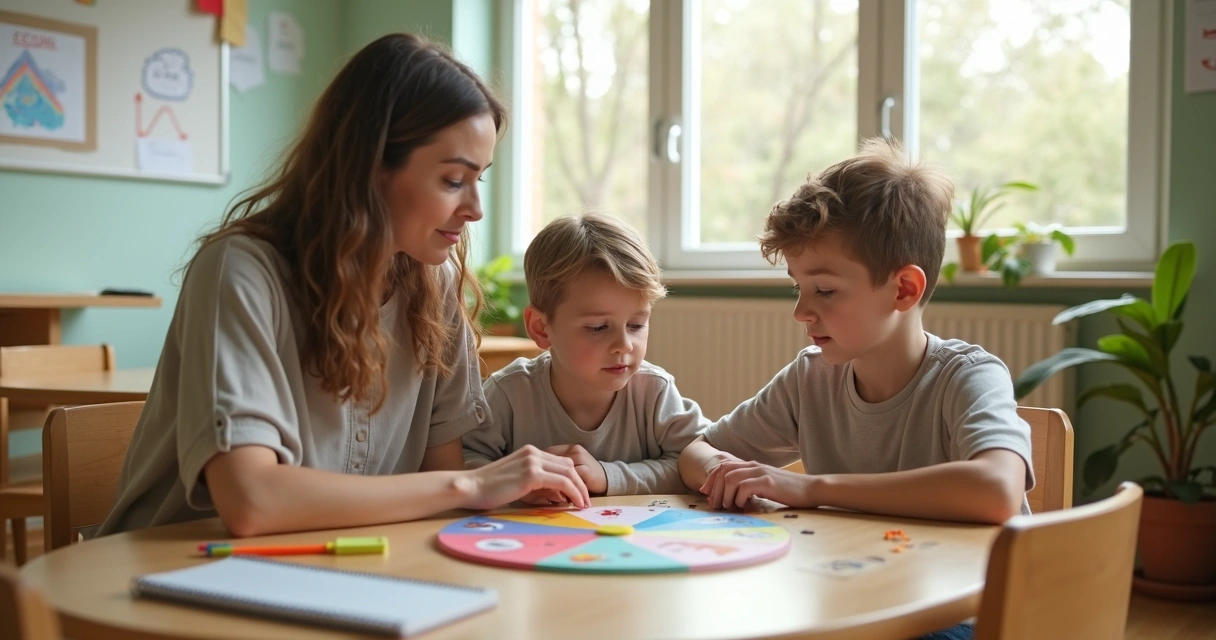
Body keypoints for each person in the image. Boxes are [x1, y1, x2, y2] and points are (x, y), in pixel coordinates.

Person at [98, 33, 590, 538]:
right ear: (372, 168)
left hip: (332, 565)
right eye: (451, 180)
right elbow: (252, 503)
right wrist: (471, 486)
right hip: (173, 572)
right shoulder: (241, 272)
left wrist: (498, 488)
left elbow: (438, 485)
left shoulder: (434, 284)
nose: (474, 209)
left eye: (478, 179)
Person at [678, 138, 1033, 525]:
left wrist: (813, 489)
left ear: (903, 290)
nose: (801, 312)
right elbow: (697, 452)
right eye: (799, 288)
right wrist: (726, 471)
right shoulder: (810, 379)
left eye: (825, 290)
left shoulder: (968, 377)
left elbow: (997, 492)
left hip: (977, 585)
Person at [463, 213, 706, 500]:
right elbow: (462, 463)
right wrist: (518, 486)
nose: (624, 345)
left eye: (636, 325)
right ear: (541, 328)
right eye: (598, 327)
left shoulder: (655, 392)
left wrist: (607, 475)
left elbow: (695, 465)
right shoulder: (509, 393)